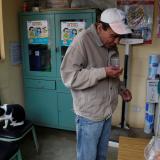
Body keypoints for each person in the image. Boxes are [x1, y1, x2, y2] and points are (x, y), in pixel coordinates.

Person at [60, 8, 132, 160]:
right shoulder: (82, 42)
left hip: (106, 111)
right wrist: (103, 72)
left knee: (101, 155)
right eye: (113, 36)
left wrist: (121, 89)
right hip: (89, 116)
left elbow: (112, 73)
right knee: (87, 157)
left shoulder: (110, 44)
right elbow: (69, 77)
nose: (117, 41)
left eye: (119, 37)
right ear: (100, 28)